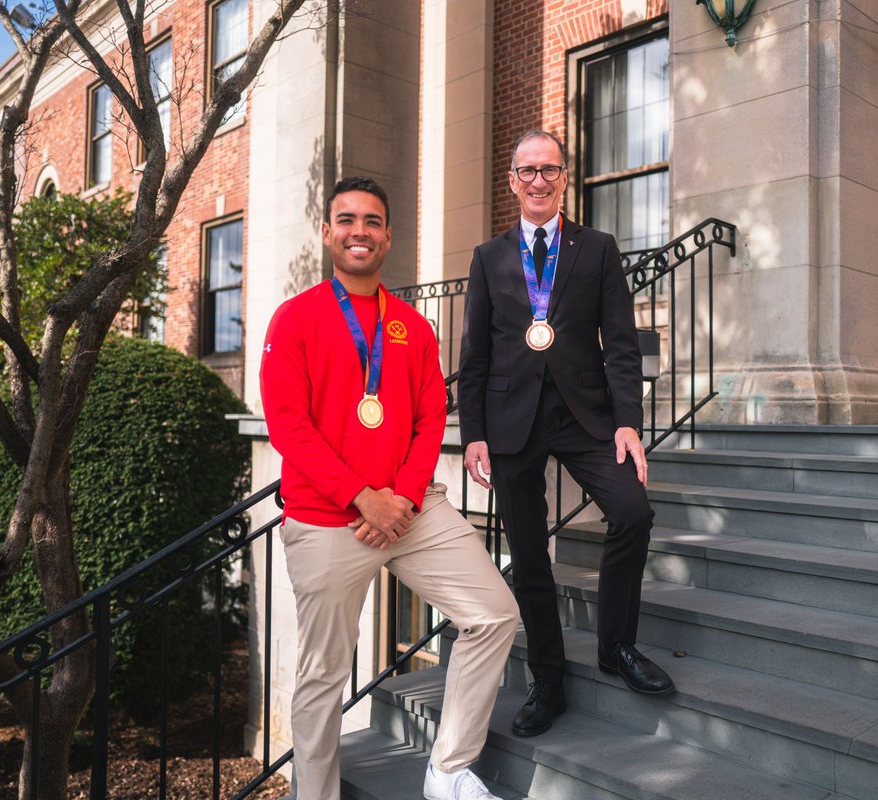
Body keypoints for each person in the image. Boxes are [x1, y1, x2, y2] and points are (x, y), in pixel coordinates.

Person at [261, 176, 518, 800]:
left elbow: (432, 416)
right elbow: (287, 425)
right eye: (346, 220)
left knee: (494, 615)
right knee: (323, 677)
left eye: (371, 222)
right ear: (328, 233)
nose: (359, 232)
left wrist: (400, 497)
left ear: (388, 237)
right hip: (328, 518)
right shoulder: (295, 319)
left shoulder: (411, 326)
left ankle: (449, 768)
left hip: (411, 511)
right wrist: (361, 496)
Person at [458, 130, 674, 738]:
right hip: (511, 423)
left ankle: (616, 648)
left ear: (563, 176)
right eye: (526, 171)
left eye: (548, 170)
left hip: (587, 417)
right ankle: (548, 677)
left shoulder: (598, 248)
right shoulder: (488, 256)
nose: (537, 181)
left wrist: (628, 422)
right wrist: (473, 431)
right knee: (528, 556)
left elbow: (622, 348)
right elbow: (474, 355)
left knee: (632, 511)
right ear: (511, 180)